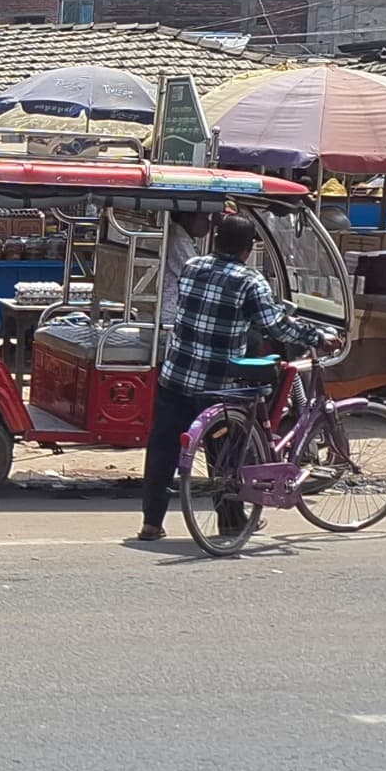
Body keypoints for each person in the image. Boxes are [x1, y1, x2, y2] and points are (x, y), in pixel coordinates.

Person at [139, 215, 340, 543]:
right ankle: (231, 522)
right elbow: (277, 327)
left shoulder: (192, 267)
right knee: (226, 454)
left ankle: (151, 523)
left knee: (162, 450)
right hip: (219, 384)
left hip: (176, 376)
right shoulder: (250, 281)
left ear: (216, 240)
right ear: (249, 249)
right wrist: (317, 336)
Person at [159, 211, 216, 320]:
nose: (209, 222)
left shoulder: (182, 237)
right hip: (173, 311)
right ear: (186, 217)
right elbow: (197, 274)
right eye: (205, 217)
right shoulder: (179, 238)